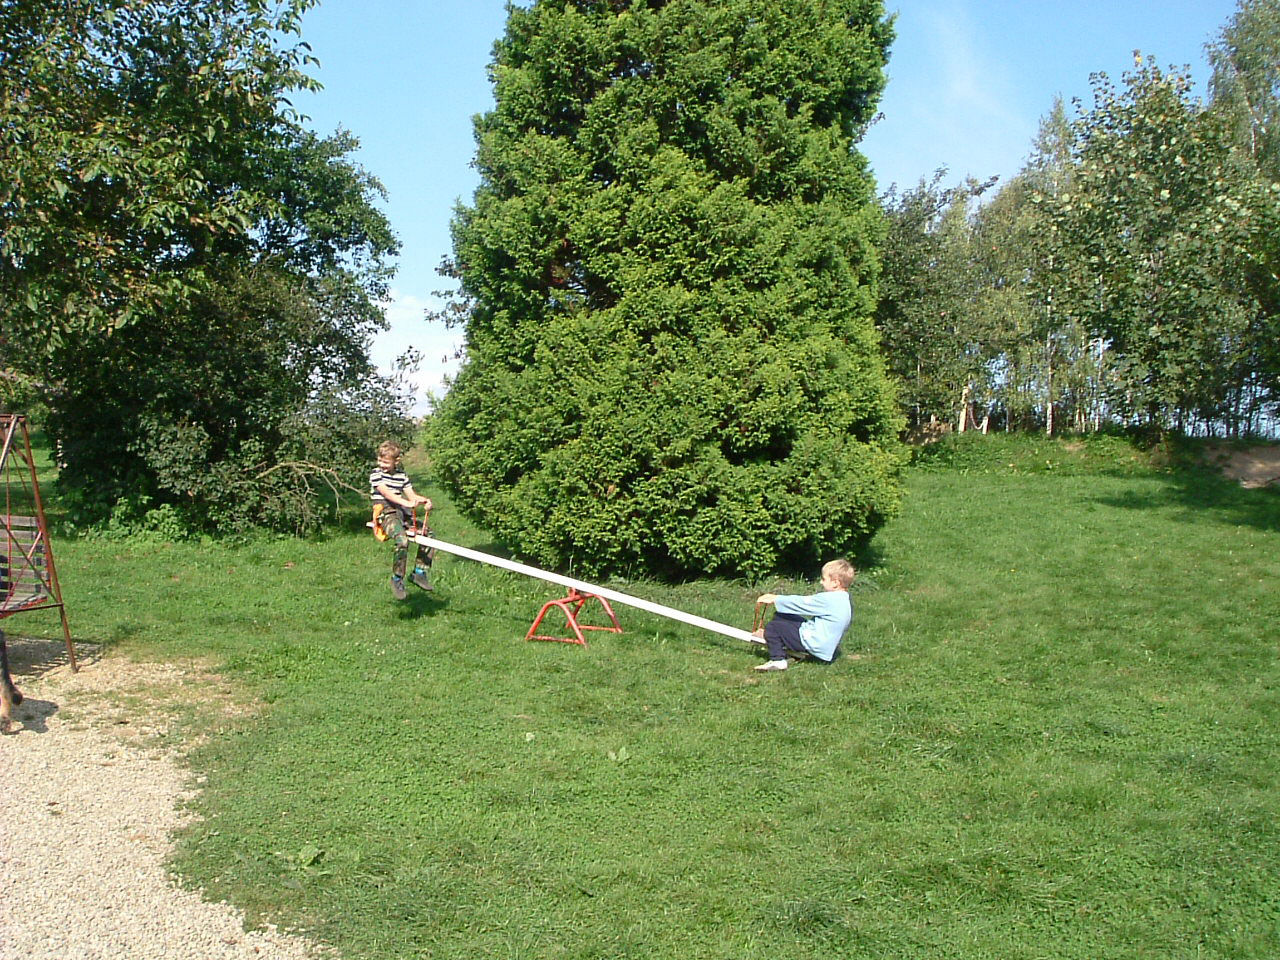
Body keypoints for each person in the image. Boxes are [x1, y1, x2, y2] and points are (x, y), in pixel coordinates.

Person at [750, 559, 856, 672]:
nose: (821, 582)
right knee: (782, 615)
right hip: (822, 639)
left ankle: (778, 660)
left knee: (773, 627)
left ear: (835, 583)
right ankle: (773, 638)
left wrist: (776, 598)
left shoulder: (829, 599)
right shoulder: (843, 598)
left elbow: (803, 603)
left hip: (815, 643)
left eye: (824, 579)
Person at [371, 440, 434, 600]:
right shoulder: (376, 474)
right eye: (380, 460)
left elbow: (411, 496)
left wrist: (425, 501)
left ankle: (419, 572)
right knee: (402, 540)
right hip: (386, 512)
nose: (382, 464)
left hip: (402, 512)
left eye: (386, 462)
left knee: (428, 535)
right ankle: (397, 578)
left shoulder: (402, 476)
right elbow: (387, 494)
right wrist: (406, 503)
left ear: (396, 461)